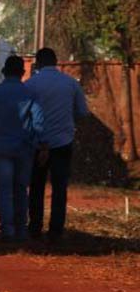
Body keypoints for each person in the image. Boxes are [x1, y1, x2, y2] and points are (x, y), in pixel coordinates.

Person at [0, 55, 45, 242]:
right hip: (24, 148)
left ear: (4, 73)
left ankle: (7, 230)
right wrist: (40, 144)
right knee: (21, 188)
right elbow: (38, 122)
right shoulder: (29, 94)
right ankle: (21, 229)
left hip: (0, 149)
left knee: (4, 189)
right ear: (22, 73)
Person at [25, 47, 90, 241]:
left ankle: (35, 227)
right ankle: (55, 231)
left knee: (36, 186)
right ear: (56, 62)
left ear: (38, 63)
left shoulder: (30, 85)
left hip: (37, 143)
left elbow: (24, 113)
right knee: (59, 187)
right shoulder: (70, 84)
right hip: (63, 142)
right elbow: (82, 112)